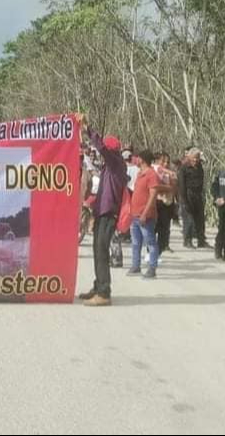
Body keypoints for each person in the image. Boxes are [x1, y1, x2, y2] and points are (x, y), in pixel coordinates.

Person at [76, 114, 127, 307]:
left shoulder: (115, 163)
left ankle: (104, 292)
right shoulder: (110, 166)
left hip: (108, 214)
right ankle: (98, 286)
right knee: (98, 250)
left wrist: (88, 129)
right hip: (102, 213)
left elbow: (102, 148)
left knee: (102, 252)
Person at [128, 151, 171, 279]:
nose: (136, 160)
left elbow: (152, 196)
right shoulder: (140, 173)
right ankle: (136, 266)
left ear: (143, 160)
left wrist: (145, 213)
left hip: (145, 216)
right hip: (135, 214)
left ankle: (152, 268)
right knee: (135, 242)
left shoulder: (151, 175)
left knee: (150, 242)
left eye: (138, 158)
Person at [178, 147, 210, 249]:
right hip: (188, 194)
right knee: (189, 219)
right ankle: (187, 241)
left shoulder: (199, 167)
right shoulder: (183, 168)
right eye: (194, 158)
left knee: (200, 219)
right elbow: (181, 185)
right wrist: (184, 200)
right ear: (189, 157)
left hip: (198, 195)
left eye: (197, 158)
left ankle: (201, 241)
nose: (195, 160)